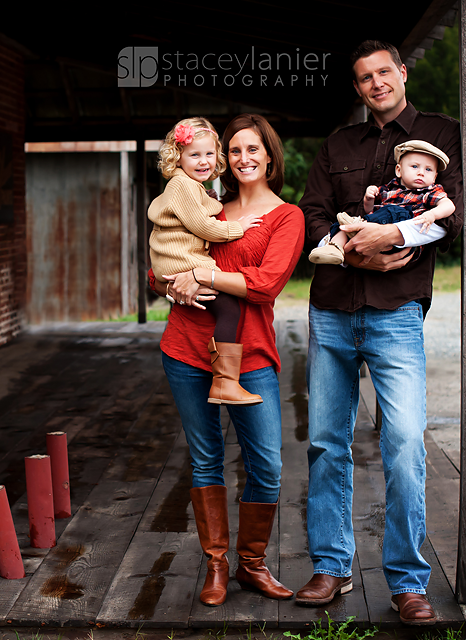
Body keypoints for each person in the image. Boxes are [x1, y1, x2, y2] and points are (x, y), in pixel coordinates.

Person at [296, 40, 463, 626]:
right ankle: (333, 566)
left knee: (405, 444)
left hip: (396, 311)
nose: (375, 84)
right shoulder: (339, 144)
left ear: (402, 73)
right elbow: (313, 213)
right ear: (358, 86)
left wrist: (386, 239)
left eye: (383, 72)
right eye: (364, 77)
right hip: (333, 308)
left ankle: (408, 583)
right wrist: (351, 255)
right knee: (324, 441)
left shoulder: (443, 132)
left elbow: (455, 213)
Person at [149, 113, 304, 606]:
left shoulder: (286, 217)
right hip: (186, 348)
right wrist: (175, 284)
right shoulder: (207, 204)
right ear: (223, 159)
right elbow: (160, 270)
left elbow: (265, 285)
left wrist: (207, 278)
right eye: (234, 150)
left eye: (252, 149)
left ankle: (252, 565)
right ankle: (216, 566)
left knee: (267, 465)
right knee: (205, 460)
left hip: (251, 354)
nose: (242, 158)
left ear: (270, 155)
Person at [148, 117, 265, 405]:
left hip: (177, 262)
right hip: (182, 262)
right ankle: (225, 382)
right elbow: (204, 227)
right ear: (178, 157)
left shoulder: (189, 186)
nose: (203, 162)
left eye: (209, 154)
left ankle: (222, 380)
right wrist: (239, 227)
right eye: (194, 155)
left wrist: (210, 198)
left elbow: (199, 208)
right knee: (230, 309)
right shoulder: (183, 186)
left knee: (223, 306)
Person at [308, 140, 456, 265]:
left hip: (401, 240)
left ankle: (357, 227)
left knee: (392, 211)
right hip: (374, 230)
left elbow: (449, 205)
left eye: (428, 169)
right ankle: (335, 248)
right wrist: (369, 198)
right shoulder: (389, 189)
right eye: (415, 166)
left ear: (435, 177)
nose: (421, 172)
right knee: (343, 226)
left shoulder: (428, 192)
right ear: (398, 170)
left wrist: (432, 215)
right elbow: (369, 210)